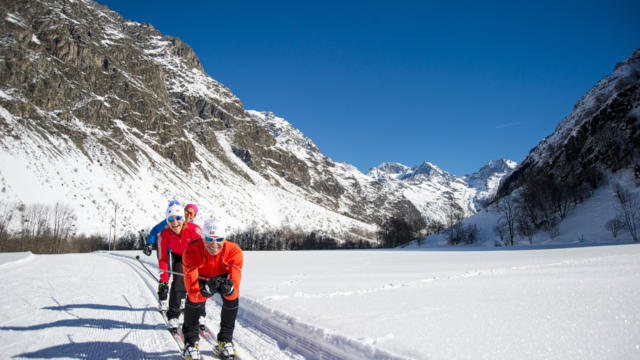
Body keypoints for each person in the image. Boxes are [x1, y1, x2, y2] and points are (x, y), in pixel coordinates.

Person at [181, 216, 243, 360]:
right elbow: (192, 293)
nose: (214, 244)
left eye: (219, 239)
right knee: (193, 303)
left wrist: (230, 291)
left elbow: (235, 290)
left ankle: (225, 340)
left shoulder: (234, 251)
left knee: (232, 300)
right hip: (201, 278)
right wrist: (205, 291)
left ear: (224, 238)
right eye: (209, 239)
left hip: (222, 277)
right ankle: (191, 343)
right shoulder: (191, 251)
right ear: (203, 238)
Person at [157, 201, 202, 331]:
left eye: (178, 218)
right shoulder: (164, 235)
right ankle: (173, 315)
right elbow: (163, 259)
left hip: (193, 256)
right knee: (178, 281)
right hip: (178, 256)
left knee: (197, 283)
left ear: (183, 219)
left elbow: (205, 249)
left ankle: (197, 313)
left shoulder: (194, 231)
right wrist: (164, 281)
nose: (175, 222)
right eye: (170, 219)